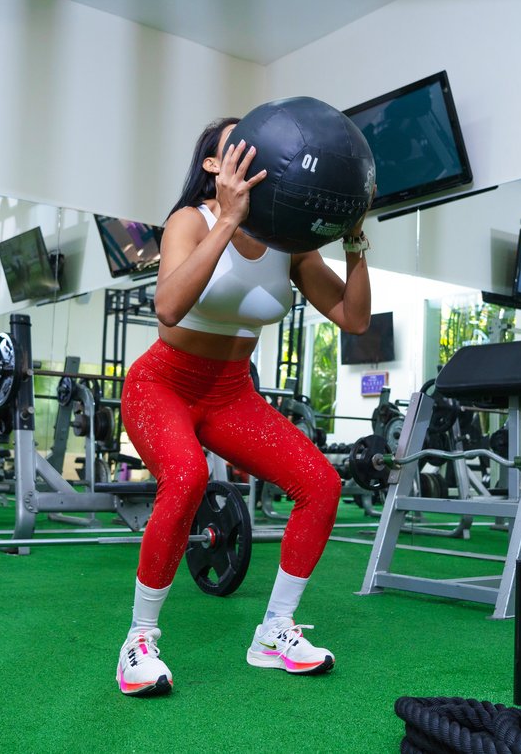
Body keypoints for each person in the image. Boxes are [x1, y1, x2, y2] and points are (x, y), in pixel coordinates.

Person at [115, 117, 373, 696]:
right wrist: (228, 216)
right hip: (163, 386)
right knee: (185, 479)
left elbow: (353, 318)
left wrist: (354, 240)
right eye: (243, 141)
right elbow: (169, 308)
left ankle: (274, 630)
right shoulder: (191, 219)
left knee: (321, 485)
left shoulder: (288, 243)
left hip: (232, 392)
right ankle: (138, 642)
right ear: (213, 164)